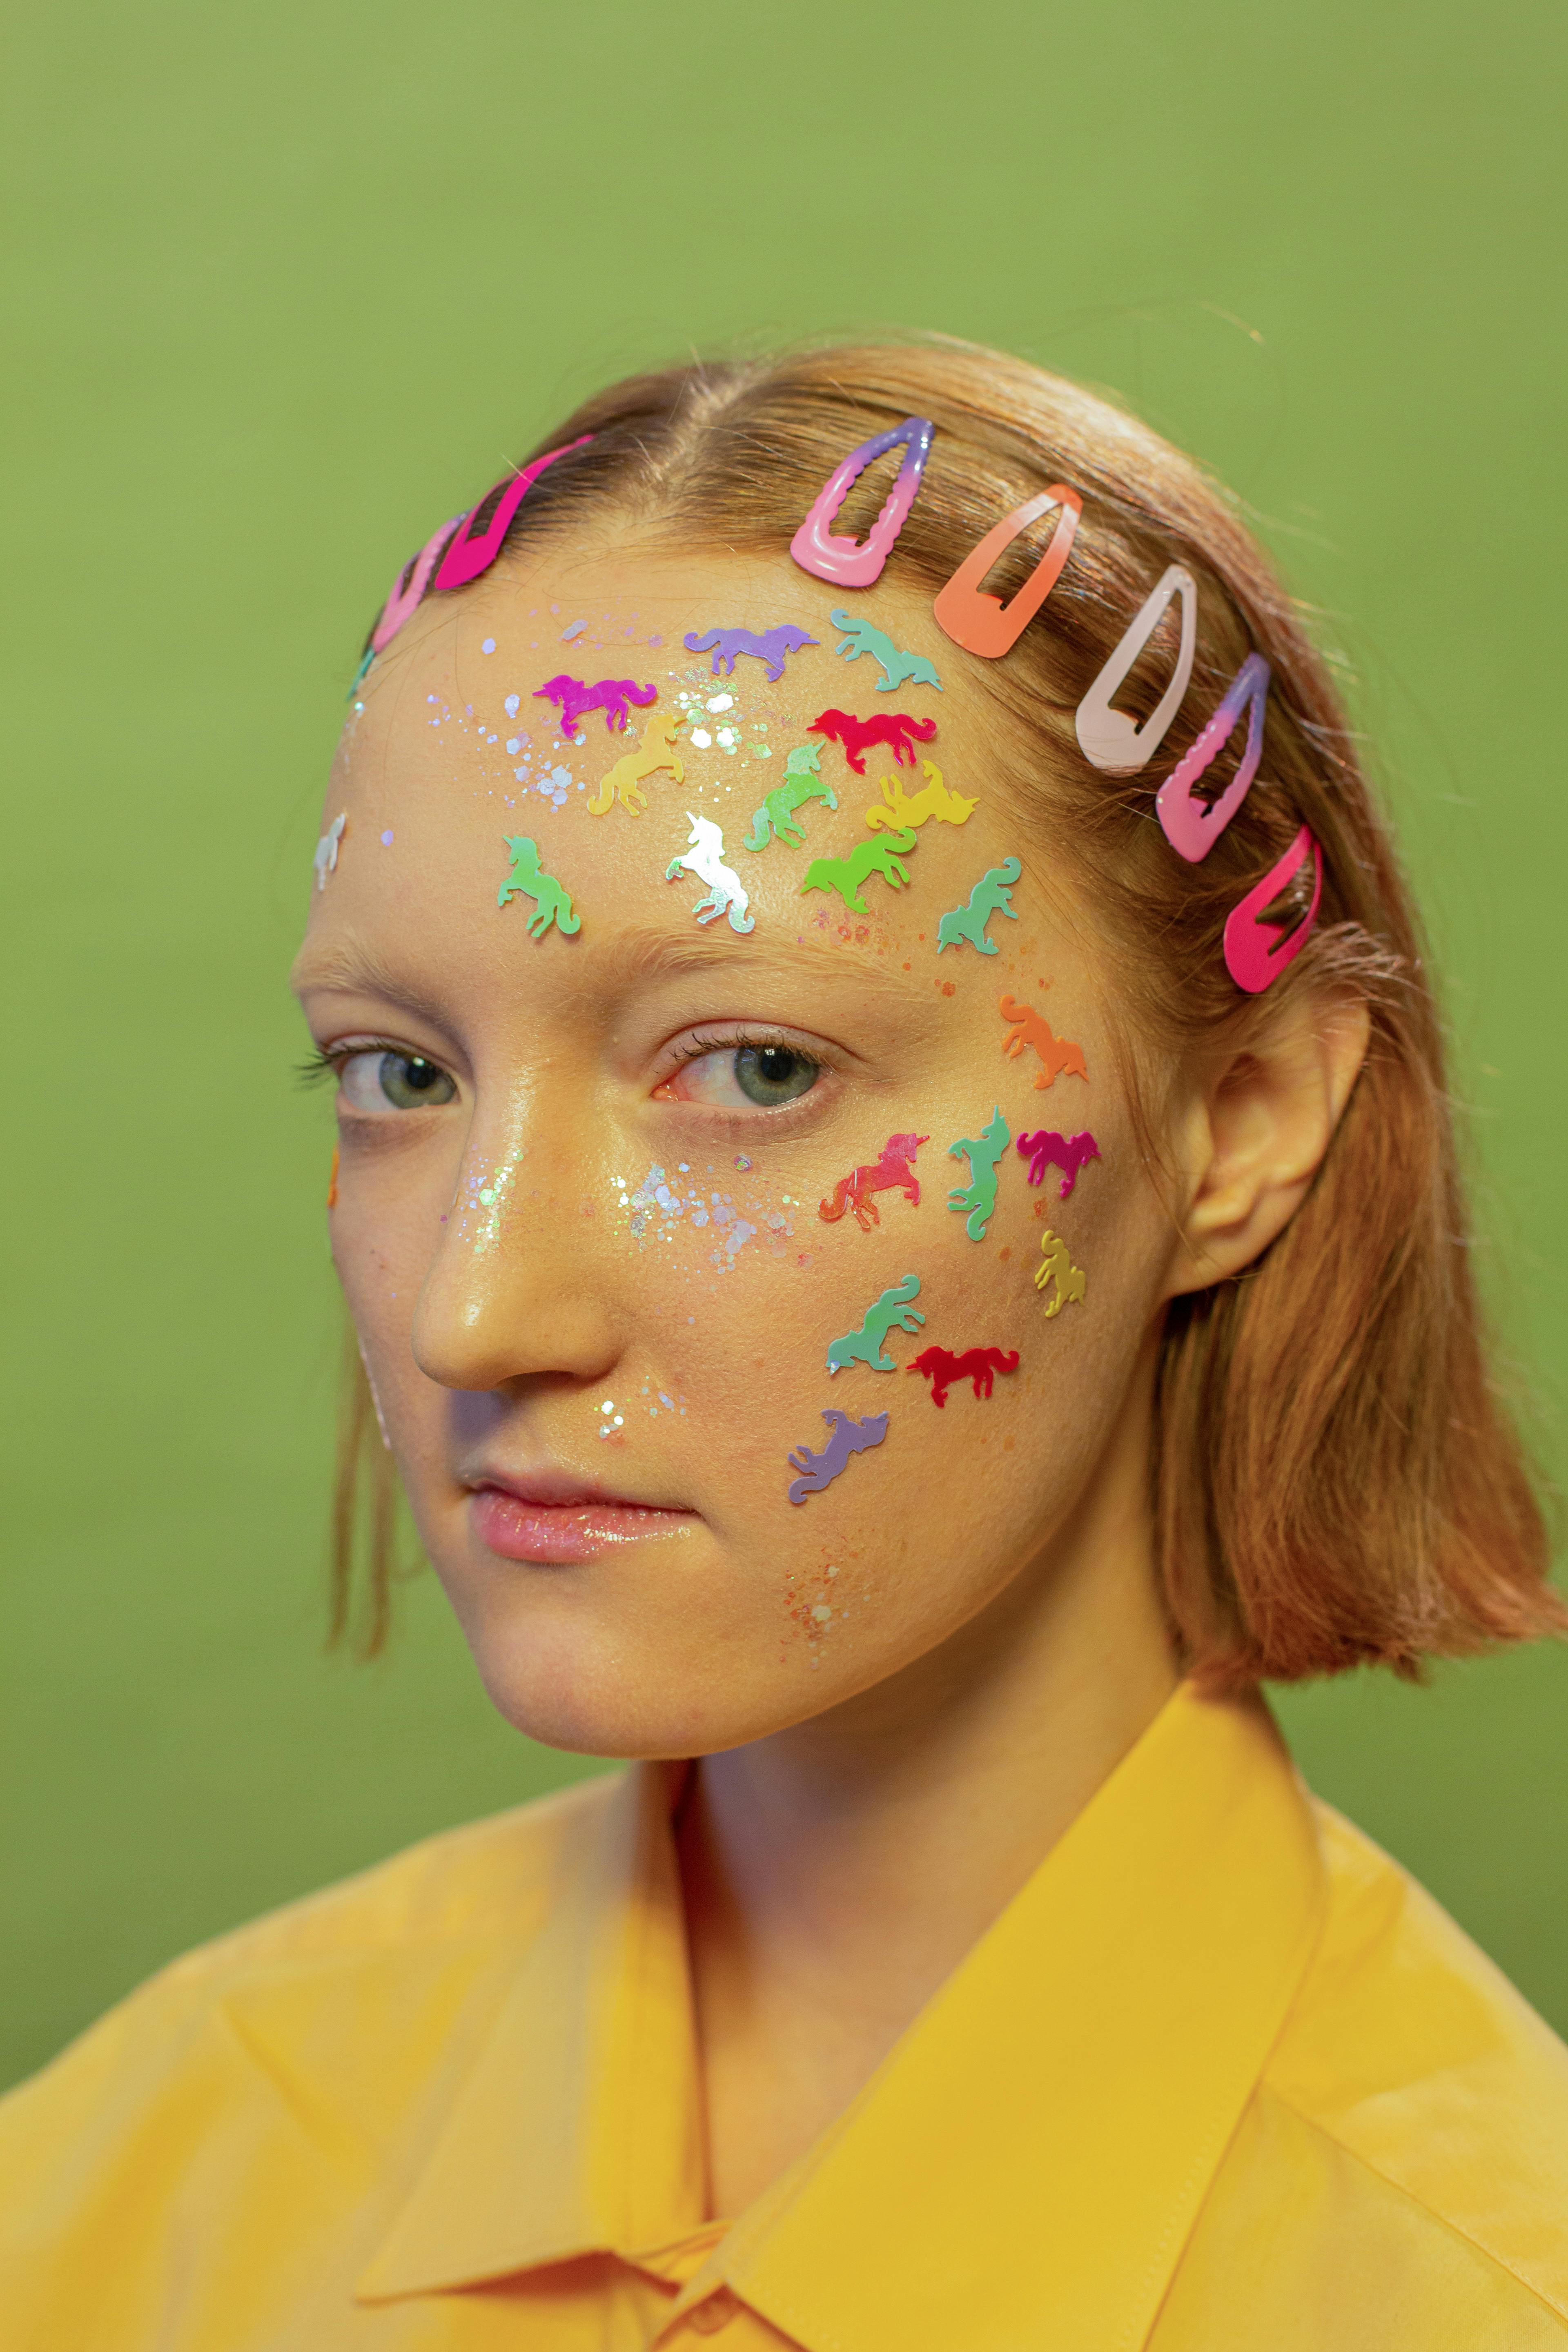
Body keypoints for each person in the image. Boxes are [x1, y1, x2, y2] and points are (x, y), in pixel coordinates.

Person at [4, 339, 1566, 2349]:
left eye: (752, 1066)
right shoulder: (142, 2192)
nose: (481, 1313)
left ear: (1243, 1122)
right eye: (398, 1069)